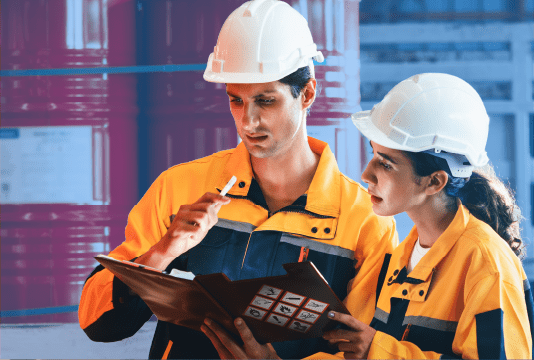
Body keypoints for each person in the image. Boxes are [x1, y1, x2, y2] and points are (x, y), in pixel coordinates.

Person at [77, 0, 397, 359]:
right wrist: (163, 252)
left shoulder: (365, 219)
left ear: (306, 94)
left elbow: (363, 347)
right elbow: (98, 322)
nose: (249, 122)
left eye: (266, 101)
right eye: (236, 101)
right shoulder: (179, 187)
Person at [201, 73, 534, 359]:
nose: (367, 173)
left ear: (435, 181)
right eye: (374, 155)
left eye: (386, 163)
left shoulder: (485, 263)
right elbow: (356, 353)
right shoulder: (402, 258)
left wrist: (379, 350)